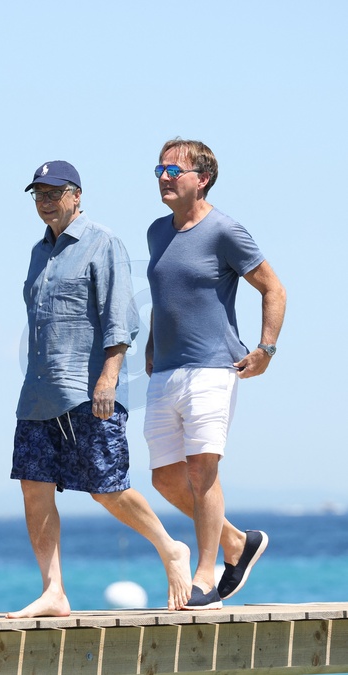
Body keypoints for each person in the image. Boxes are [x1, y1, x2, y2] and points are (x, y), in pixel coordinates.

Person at [6, 160, 192, 619]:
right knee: (34, 486)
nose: (46, 201)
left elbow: (120, 320)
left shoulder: (102, 242)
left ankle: (170, 548)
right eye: (39, 194)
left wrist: (108, 379)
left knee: (106, 488)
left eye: (55, 193)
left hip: (88, 391)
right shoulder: (37, 253)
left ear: (77, 196)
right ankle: (54, 591)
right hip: (37, 394)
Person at [144, 139, 286, 609]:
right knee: (165, 478)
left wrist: (265, 348)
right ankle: (236, 541)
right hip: (165, 370)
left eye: (173, 170)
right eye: (159, 170)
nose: (164, 177)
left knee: (202, 469)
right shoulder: (156, 232)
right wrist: (151, 344)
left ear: (202, 178)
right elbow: (165, 298)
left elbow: (273, 288)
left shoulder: (226, 230)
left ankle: (206, 576)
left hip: (211, 367)